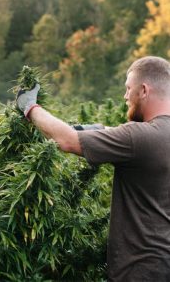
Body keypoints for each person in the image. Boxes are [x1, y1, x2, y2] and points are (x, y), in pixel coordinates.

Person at [16, 56, 170, 281]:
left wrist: (29, 106)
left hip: (140, 269)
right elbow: (119, 133)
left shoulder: (141, 138)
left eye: (128, 89)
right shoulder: (153, 136)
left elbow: (67, 141)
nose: (125, 96)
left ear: (144, 90)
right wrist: (94, 129)